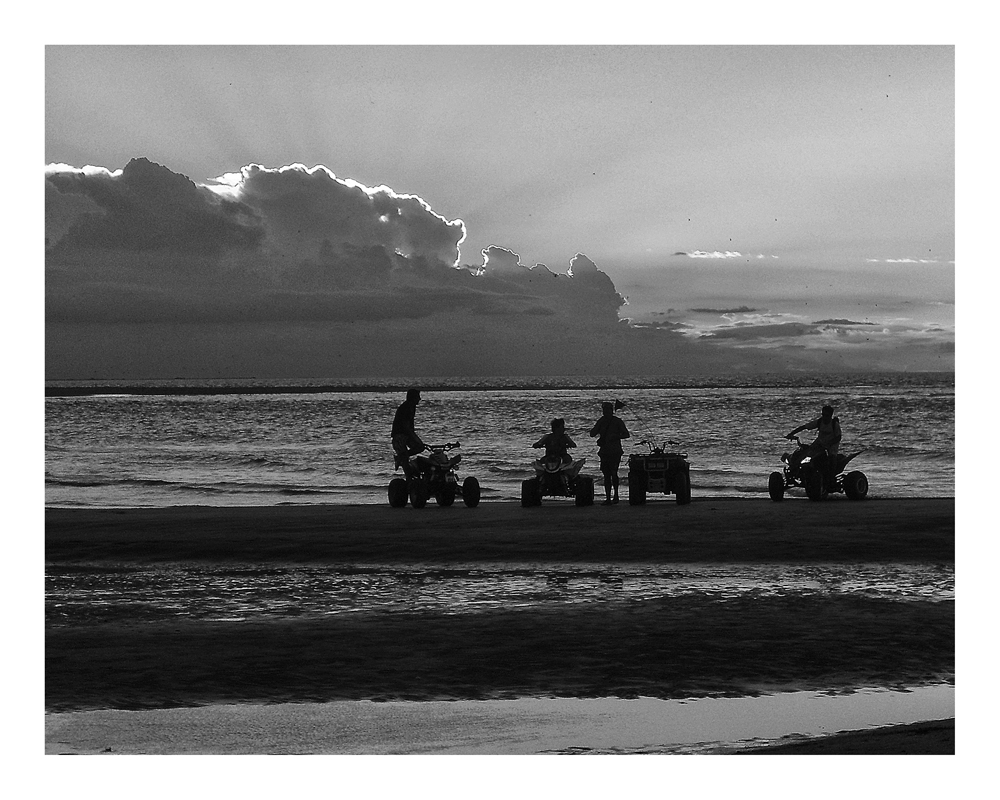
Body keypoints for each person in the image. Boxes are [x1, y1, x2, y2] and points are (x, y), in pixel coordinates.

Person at [589, 401, 630, 505]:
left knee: (613, 473)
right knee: (606, 474)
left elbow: (626, 434)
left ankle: (616, 496)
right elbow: (592, 434)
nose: (606, 412)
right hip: (604, 452)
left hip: (615, 451)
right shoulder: (601, 421)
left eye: (608, 410)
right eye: (604, 410)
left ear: (611, 411)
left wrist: (615, 436)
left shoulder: (617, 421)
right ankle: (608, 498)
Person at [786, 405, 842, 475]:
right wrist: (791, 434)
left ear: (830, 415)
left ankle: (831, 476)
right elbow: (804, 427)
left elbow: (838, 437)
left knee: (832, 459)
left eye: (826, 415)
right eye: (823, 414)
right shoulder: (819, 422)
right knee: (807, 452)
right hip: (820, 442)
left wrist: (828, 444)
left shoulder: (834, 425)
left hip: (831, 445)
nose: (824, 417)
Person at [391, 389, 425, 476]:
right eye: (418, 397)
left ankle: (400, 457)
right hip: (399, 436)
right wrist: (414, 436)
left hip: (406, 435)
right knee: (406, 462)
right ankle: (409, 480)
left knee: (420, 447)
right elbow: (406, 426)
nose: (419, 399)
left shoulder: (412, 407)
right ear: (413, 398)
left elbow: (410, 426)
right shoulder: (406, 408)